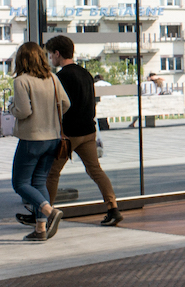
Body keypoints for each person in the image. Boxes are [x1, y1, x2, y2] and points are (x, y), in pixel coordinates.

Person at [41, 36, 122, 227]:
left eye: (50, 54)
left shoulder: (61, 77)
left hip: (69, 134)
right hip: (88, 131)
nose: (50, 58)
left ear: (57, 53)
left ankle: (46, 214)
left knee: (52, 174)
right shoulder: (85, 73)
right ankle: (113, 208)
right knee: (95, 171)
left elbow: (60, 106)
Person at [10, 42, 71, 240]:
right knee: (38, 182)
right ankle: (40, 229)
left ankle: (50, 211)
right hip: (53, 137)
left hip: (32, 138)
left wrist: (11, 108)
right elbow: (66, 104)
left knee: (20, 183)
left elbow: (24, 111)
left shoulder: (22, 80)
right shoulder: (52, 78)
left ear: (21, 59)